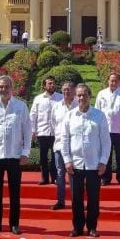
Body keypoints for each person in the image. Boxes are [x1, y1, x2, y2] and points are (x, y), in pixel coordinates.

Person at [0, 75, 31, 234]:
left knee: (14, 193)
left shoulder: (21, 107)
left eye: (6, 87)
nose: (3, 89)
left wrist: (25, 152)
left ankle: (14, 224)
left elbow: (27, 131)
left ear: (12, 88)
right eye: (1, 87)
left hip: (15, 156)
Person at [61, 83, 110, 237]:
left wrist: (103, 162)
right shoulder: (69, 115)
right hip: (75, 164)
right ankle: (77, 227)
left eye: (84, 95)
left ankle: (92, 227)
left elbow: (106, 141)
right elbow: (64, 140)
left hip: (94, 164)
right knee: (76, 199)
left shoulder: (99, 116)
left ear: (90, 96)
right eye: (79, 95)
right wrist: (67, 160)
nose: (81, 98)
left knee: (93, 199)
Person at [95, 72, 120, 186]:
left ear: (118, 82)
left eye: (115, 81)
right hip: (105, 130)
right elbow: (96, 111)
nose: (113, 83)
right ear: (108, 81)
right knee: (105, 155)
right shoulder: (101, 94)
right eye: (111, 80)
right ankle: (105, 178)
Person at [30, 76, 63, 185]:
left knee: (56, 157)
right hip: (42, 132)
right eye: (49, 83)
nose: (52, 85)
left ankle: (55, 177)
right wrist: (33, 131)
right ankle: (44, 178)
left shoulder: (60, 98)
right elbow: (33, 115)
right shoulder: (38, 99)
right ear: (44, 85)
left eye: (53, 83)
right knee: (43, 157)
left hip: (56, 133)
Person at [50, 81, 77, 210]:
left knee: (74, 174)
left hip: (74, 147)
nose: (66, 92)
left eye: (69, 89)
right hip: (59, 146)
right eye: (64, 90)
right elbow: (53, 124)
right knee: (60, 174)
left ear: (74, 91)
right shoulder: (56, 106)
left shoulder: (79, 106)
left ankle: (75, 201)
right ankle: (60, 201)